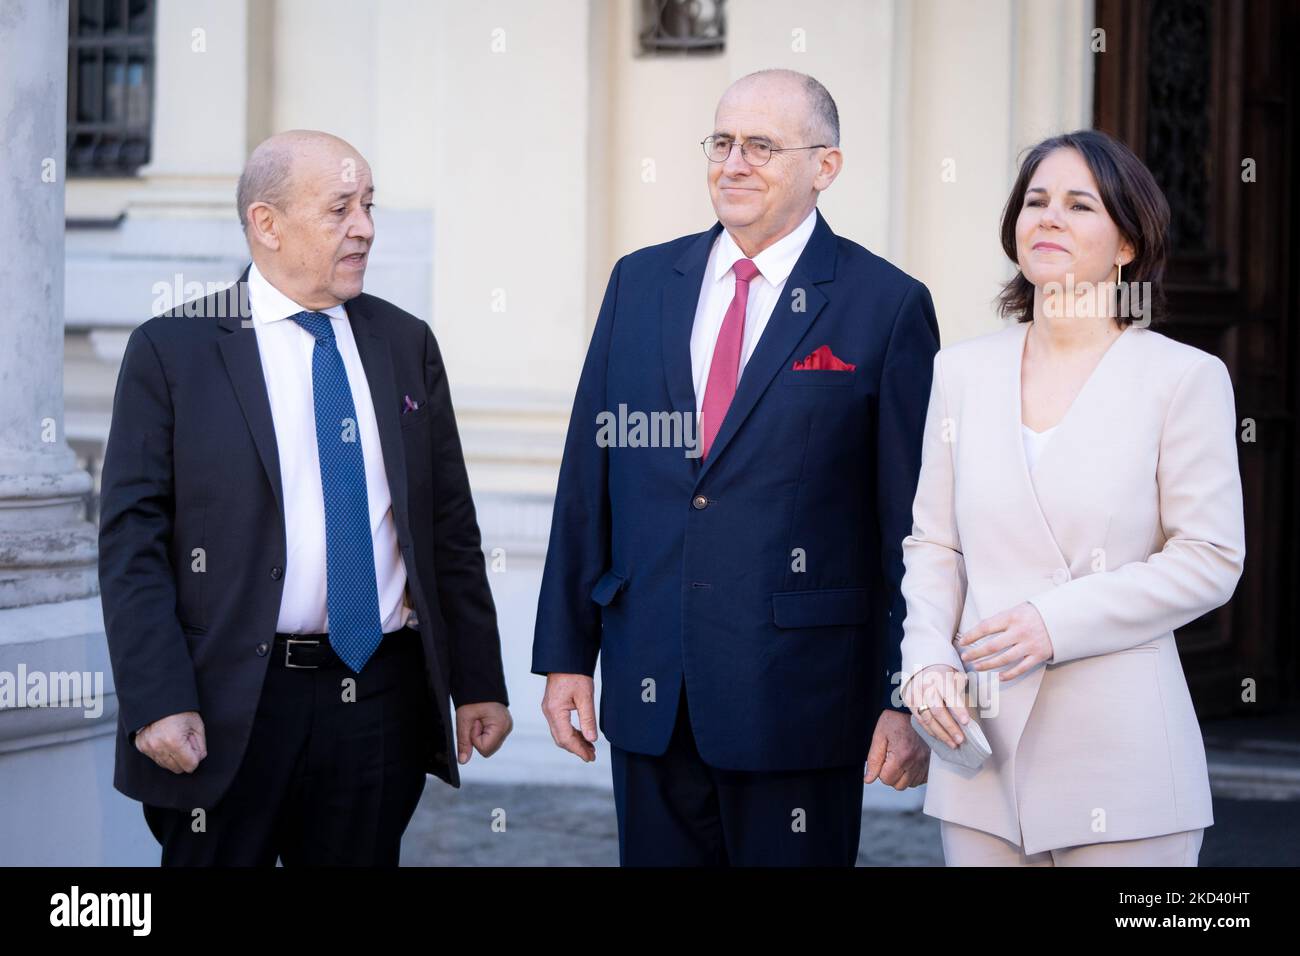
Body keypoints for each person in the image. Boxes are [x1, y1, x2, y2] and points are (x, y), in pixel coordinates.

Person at [532, 70, 939, 866]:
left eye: (761, 146)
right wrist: (565, 655)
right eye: (721, 143)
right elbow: (589, 480)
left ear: (825, 167)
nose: (733, 164)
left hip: (800, 695)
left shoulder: (885, 306)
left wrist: (904, 694)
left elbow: (912, 524)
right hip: (651, 680)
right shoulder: (641, 283)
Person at [99, 130, 512, 865]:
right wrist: (158, 697)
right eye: (340, 209)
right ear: (267, 222)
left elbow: (447, 522)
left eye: (369, 205)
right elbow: (133, 543)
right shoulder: (174, 349)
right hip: (232, 705)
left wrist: (479, 680)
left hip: (378, 697)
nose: (366, 227)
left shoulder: (404, 341)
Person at [898, 129, 1245, 866]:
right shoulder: (961, 372)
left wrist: (1053, 621)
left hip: (1123, 762)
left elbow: (1210, 556)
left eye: (1079, 204)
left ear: (1127, 243)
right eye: (1036, 200)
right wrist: (926, 658)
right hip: (981, 757)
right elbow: (935, 543)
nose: (1049, 217)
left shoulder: (1183, 378)